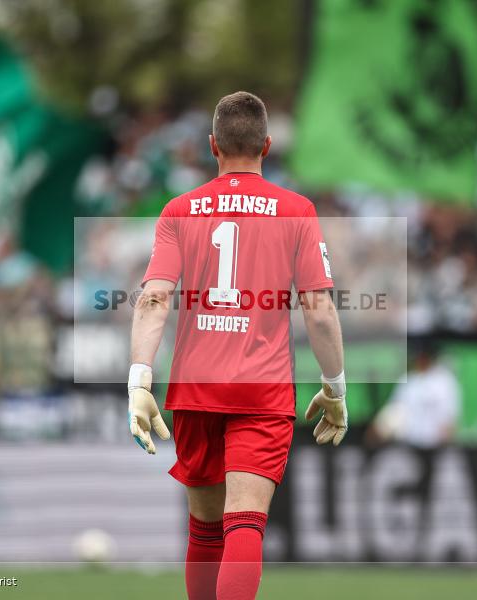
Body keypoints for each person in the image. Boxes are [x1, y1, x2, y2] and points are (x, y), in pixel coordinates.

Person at [127, 91, 346, 600]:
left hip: (195, 387)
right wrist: (334, 387)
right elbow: (318, 309)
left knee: (204, 529)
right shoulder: (296, 209)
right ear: (267, 145)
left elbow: (153, 299)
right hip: (261, 389)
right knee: (244, 522)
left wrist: (140, 378)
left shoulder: (180, 209)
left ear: (212, 146)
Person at [366, 340, 460, 448]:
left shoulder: (445, 381)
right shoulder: (408, 380)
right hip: (408, 447)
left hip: (435, 447)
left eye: (423, 355)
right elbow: (394, 412)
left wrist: (444, 446)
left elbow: (449, 421)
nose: (419, 358)